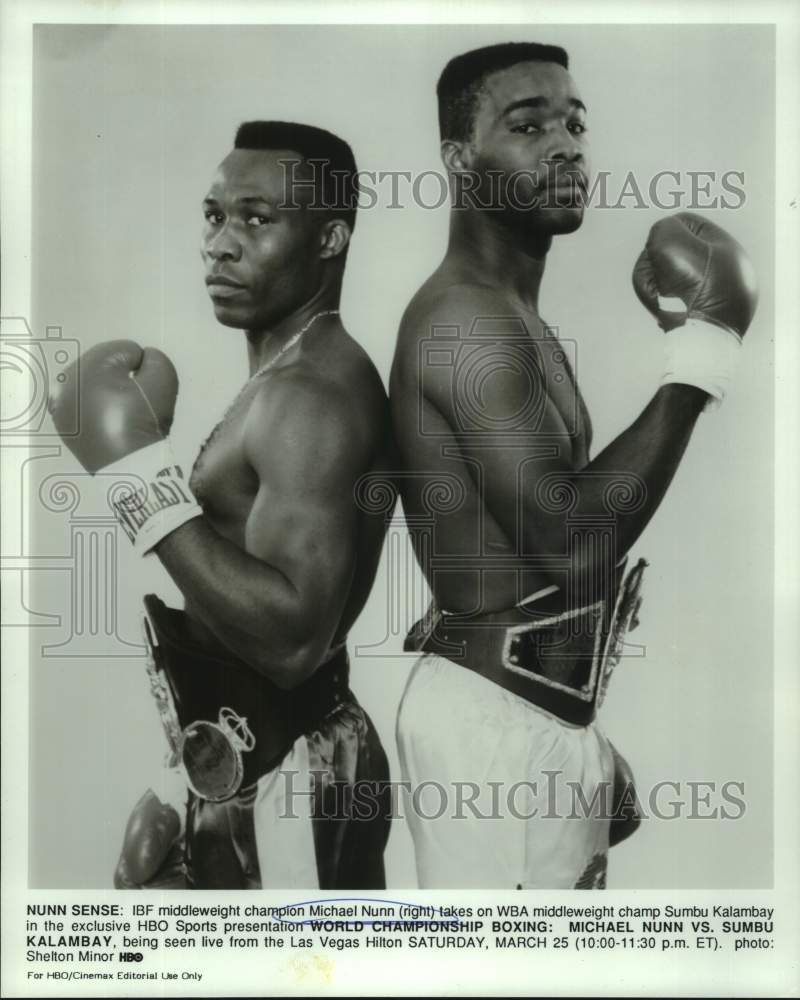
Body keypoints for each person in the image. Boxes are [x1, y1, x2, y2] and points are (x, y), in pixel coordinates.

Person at [390, 43, 757, 888]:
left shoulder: (509, 312)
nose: (565, 144)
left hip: (526, 716)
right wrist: (703, 357)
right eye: (527, 125)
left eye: (574, 122)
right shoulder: (465, 326)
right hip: (495, 733)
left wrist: (576, 722)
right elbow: (570, 542)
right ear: (457, 158)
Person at [49, 121, 395, 889]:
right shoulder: (287, 374)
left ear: (331, 238)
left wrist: (138, 479)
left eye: (257, 218)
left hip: (288, 769)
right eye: (214, 215)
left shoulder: (309, 398)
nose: (221, 243)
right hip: (252, 750)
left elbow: (291, 640)